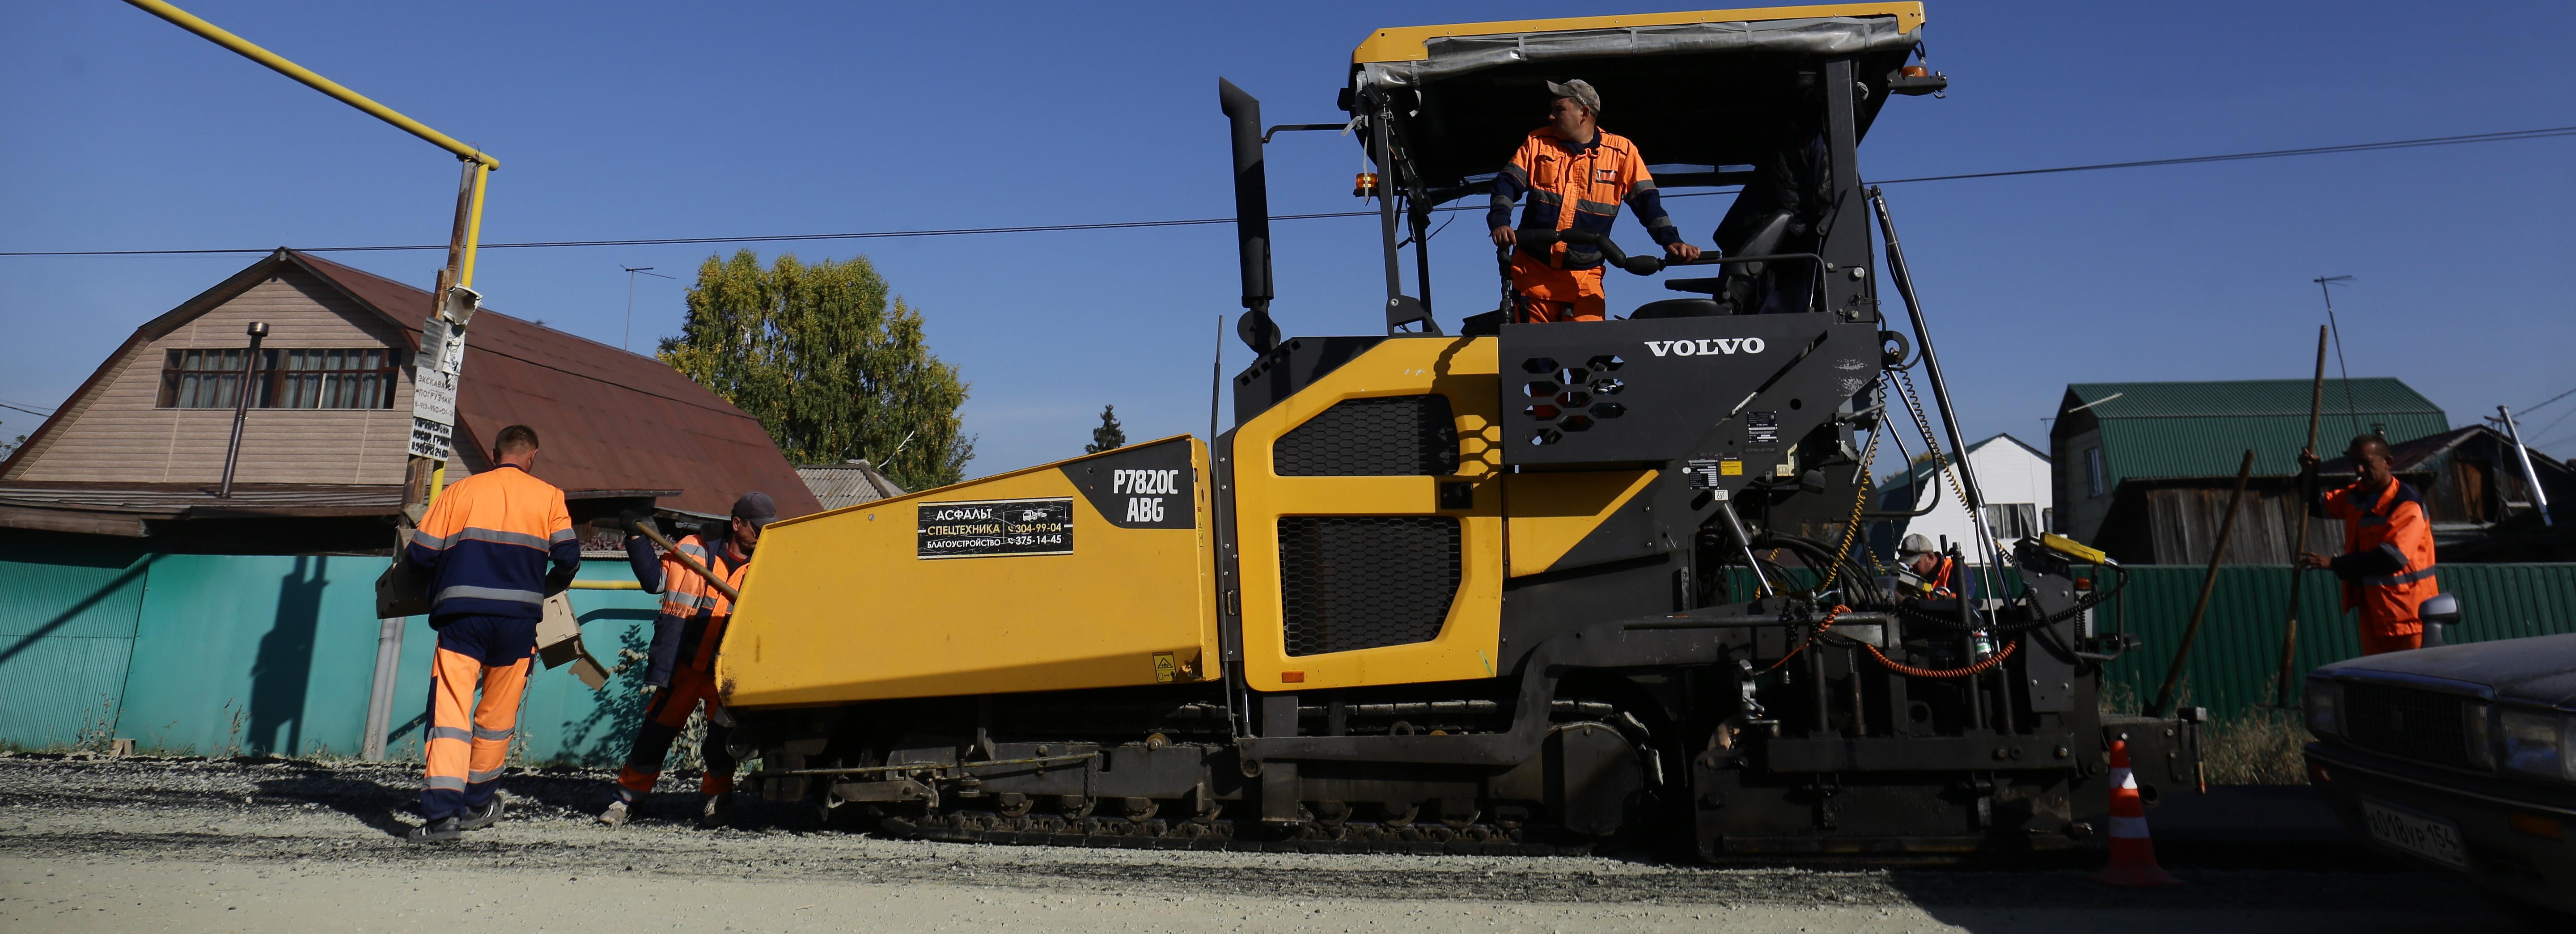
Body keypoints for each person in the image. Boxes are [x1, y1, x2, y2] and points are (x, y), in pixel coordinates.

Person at [401, 424, 578, 843]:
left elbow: (421, 554)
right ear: (532, 456)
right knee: (497, 717)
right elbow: (569, 558)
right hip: (518, 622)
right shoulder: (550, 496)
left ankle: (442, 816)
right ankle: (478, 803)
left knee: (451, 712)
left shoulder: (460, 492)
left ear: (495, 452)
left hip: (463, 618)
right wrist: (545, 585)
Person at [598, 492, 776, 828]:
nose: (761, 534)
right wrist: (636, 536)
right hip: (682, 666)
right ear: (737, 524)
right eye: (757, 527)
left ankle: (715, 800)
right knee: (655, 735)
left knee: (719, 744)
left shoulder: (769, 562)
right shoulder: (694, 547)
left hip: (726, 674)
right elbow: (654, 581)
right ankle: (626, 800)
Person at [1488, 79, 1704, 323]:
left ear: (1584, 113)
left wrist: (1672, 242)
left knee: (1587, 356)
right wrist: (1500, 222)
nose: (1550, 117)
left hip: (1585, 279)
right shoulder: (1536, 144)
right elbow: (1505, 185)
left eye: (1559, 110)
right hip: (1533, 274)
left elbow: (1649, 205)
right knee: (1537, 358)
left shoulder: (1622, 153)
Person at [2299, 434, 2438, 655]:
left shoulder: (2406, 504)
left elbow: (2392, 558)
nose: (2359, 470)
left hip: (2408, 616)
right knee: (2379, 683)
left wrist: (2334, 563)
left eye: (2365, 463)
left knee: (2413, 681)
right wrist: (2310, 473)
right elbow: (2317, 506)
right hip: (2375, 613)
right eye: (2355, 463)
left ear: (2388, 463)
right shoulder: (2357, 495)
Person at [1894, 533, 1964, 598]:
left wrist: (1937, 597)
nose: (1911, 567)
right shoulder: (1921, 576)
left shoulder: (1956, 570)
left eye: (1915, 562)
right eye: (1908, 563)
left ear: (1930, 558)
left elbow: (1962, 601)